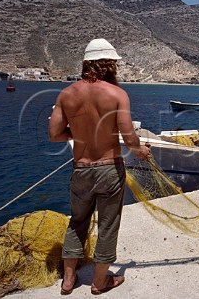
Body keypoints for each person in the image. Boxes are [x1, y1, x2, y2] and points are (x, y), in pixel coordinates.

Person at [49, 38, 151, 295]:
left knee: (77, 221)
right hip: (109, 170)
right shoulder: (117, 94)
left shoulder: (67, 94)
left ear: (86, 64)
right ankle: (99, 281)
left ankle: (69, 280)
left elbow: (55, 134)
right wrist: (141, 151)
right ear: (109, 65)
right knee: (108, 224)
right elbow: (129, 139)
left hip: (81, 169)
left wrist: (81, 133)